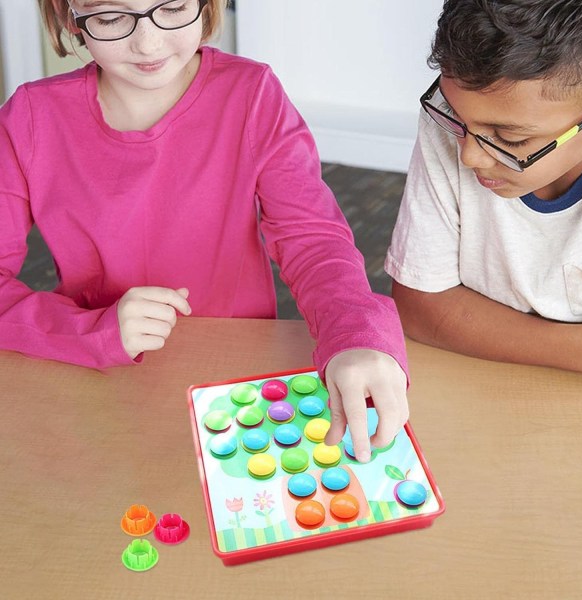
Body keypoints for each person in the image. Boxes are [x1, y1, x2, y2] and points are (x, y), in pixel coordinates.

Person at [0, 0, 409, 461]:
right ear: (67, 15)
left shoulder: (252, 92)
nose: (148, 43)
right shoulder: (30, 117)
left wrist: (355, 333)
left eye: (173, 8)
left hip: (239, 377)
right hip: (101, 378)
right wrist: (90, 331)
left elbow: (312, 238)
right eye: (111, 18)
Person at [386, 0, 582, 373]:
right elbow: (419, 306)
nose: (470, 157)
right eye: (456, 116)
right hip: (470, 377)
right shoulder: (458, 122)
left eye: (509, 140)